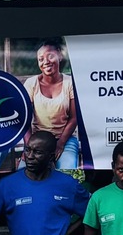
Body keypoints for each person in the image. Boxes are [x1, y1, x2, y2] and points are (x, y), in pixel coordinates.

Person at [30, 40, 85, 168]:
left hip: (65, 139)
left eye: (50, 56)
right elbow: (24, 118)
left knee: (68, 169)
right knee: (25, 171)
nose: (45, 62)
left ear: (59, 55)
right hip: (38, 140)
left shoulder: (70, 83)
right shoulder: (31, 84)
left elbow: (74, 117)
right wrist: (29, 147)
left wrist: (60, 144)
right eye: (41, 59)